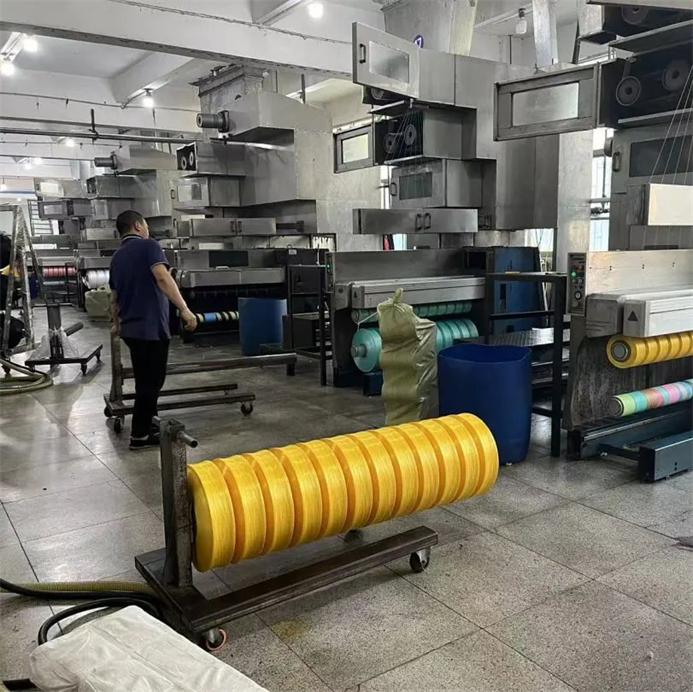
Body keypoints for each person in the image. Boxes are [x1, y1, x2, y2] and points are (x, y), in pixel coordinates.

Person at [109, 210, 197, 449]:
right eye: (146, 225)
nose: (148, 229)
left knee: (144, 380)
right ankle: (139, 435)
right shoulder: (149, 246)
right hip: (151, 328)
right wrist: (184, 309)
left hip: (130, 329)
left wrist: (116, 324)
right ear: (138, 226)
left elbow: (114, 297)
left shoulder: (117, 257)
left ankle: (149, 424)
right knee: (152, 383)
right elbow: (162, 278)